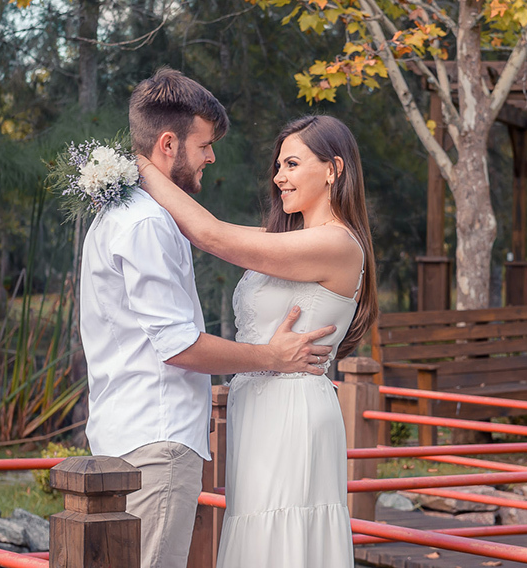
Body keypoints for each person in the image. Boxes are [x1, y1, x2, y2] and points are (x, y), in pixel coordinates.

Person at [79, 68, 338, 568]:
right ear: (169, 144)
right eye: (204, 146)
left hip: (120, 433)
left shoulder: (117, 212)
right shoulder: (149, 223)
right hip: (157, 441)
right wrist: (271, 357)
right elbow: (178, 345)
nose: (212, 157)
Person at [137, 114, 377, 568]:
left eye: (290, 164)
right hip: (256, 411)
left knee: (283, 537)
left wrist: (137, 165)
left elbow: (212, 235)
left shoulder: (339, 245)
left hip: (294, 411)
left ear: (333, 169)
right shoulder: (287, 239)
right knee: (256, 536)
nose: (278, 177)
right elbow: (199, 228)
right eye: (278, 165)